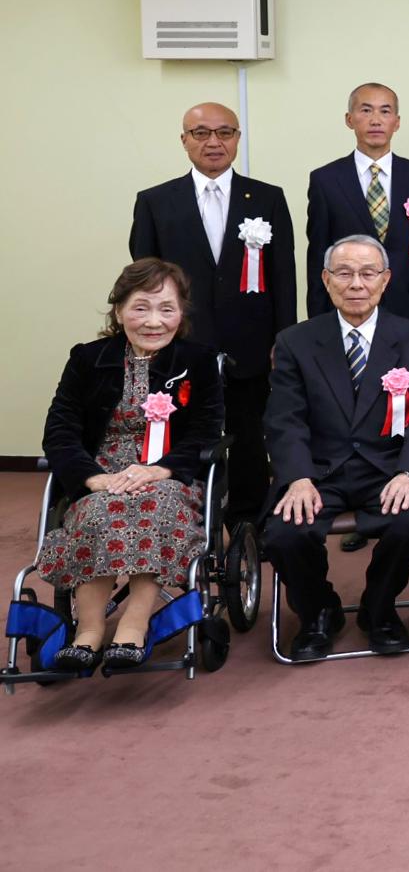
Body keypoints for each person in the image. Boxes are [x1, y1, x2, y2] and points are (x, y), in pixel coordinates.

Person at [261, 235, 409, 662]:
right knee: (285, 532)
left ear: (385, 280)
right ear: (327, 281)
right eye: (344, 274)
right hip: (318, 471)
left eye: (367, 273)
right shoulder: (295, 342)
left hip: (388, 470)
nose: (356, 284)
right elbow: (284, 419)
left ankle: (379, 608)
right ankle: (318, 612)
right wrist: (297, 477)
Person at [37, 260, 224, 672]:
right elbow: (60, 430)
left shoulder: (198, 360)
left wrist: (161, 471)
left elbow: (206, 431)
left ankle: (133, 627)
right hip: (101, 474)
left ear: (181, 313)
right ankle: (88, 632)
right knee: (96, 512)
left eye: (167, 309)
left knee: (155, 507)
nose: (154, 321)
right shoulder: (87, 359)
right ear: (119, 310)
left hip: (169, 478)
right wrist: (92, 478)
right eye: (141, 308)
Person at [130, 102, 296, 522]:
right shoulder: (155, 201)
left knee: (249, 435)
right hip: (182, 343)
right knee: (183, 432)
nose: (213, 142)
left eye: (225, 132)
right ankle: (184, 519)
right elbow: (143, 280)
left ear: (238, 139)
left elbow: (283, 276)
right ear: (184, 140)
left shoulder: (267, 197)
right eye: (201, 133)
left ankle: (248, 524)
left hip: (250, 342)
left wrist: (283, 339)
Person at [305, 82, 409, 334]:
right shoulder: (326, 180)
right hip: (349, 308)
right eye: (366, 110)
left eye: (385, 111)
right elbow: (318, 255)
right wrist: (317, 321)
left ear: (397, 122)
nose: (375, 120)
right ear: (349, 119)